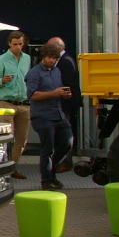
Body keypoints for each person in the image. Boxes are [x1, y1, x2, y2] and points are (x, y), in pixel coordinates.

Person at [26, 42, 74, 190]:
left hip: (58, 113)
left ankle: (51, 171)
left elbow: (58, 91)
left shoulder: (56, 71)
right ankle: (47, 180)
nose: (51, 60)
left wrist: (65, 95)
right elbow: (32, 95)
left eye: (54, 58)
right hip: (42, 115)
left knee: (68, 142)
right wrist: (54, 93)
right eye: (49, 57)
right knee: (48, 148)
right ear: (43, 56)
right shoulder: (34, 72)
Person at [0, 31, 31, 179]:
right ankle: (3, 168)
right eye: (15, 44)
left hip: (24, 102)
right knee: (7, 137)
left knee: (22, 138)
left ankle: (12, 166)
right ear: (9, 43)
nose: (18, 47)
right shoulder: (2, 59)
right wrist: (3, 80)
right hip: (7, 102)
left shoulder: (26, 58)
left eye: (20, 44)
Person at [47, 37, 81, 172]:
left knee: (64, 133)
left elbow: (67, 83)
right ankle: (62, 160)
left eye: (50, 47)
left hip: (65, 103)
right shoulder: (61, 60)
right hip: (61, 102)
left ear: (58, 47)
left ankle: (66, 161)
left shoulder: (66, 61)